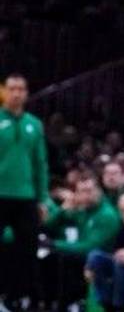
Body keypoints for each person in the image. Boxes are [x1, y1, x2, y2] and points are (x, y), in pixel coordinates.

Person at [0, 74, 48, 311]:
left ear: (26, 93)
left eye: (21, 89)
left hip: (27, 196)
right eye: (12, 89)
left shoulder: (35, 124)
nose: (17, 93)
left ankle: (19, 298)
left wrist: (43, 199)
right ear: (5, 92)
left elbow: (41, 163)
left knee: (27, 251)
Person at [41, 174, 121, 309]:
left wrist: (54, 244)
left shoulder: (106, 215)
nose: (85, 195)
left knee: (64, 257)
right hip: (84, 257)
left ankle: (72, 304)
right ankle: (47, 303)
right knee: (48, 257)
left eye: (89, 191)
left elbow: (89, 247)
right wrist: (62, 209)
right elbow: (49, 226)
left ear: (98, 191)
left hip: (104, 259)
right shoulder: (82, 210)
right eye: (81, 191)